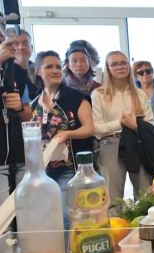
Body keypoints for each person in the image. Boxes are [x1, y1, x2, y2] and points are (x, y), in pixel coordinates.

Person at [30, 51, 95, 230]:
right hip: (42, 169)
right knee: (46, 217)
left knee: (66, 216)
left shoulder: (76, 97)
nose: (55, 70)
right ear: (37, 71)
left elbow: (89, 128)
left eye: (58, 66)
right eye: (49, 67)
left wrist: (68, 134)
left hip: (68, 167)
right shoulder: (34, 102)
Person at [91, 51, 154, 205]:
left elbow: (151, 123)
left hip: (137, 142)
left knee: (146, 194)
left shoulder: (139, 94)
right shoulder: (98, 94)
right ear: (108, 68)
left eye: (123, 63)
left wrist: (135, 126)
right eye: (114, 64)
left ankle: (145, 228)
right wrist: (120, 124)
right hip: (110, 144)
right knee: (112, 198)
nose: (120, 67)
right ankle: (115, 227)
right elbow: (96, 128)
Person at [0, 32, 33, 205]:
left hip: (19, 154)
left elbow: (28, 115)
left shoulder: (17, 71)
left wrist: (19, 106)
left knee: (25, 211)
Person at [7, 29, 38, 100]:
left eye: (25, 43)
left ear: (32, 48)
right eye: (16, 44)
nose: (21, 47)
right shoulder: (4, 72)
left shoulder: (40, 70)